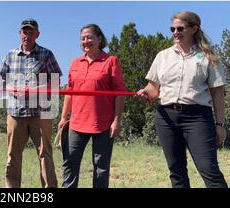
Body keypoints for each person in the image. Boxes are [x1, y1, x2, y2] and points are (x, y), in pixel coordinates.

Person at [136, 11, 227, 188]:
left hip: (198, 117)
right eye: (172, 28)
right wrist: (146, 91)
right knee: (176, 171)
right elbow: (154, 87)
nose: (175, 32)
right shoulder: (163, 56)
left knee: (208, 169)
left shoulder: (209, 57)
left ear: (194, 28)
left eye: (180, 28)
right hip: (166, 117)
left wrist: (220, 125)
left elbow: (217, 93)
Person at [57, 24, 126, 188]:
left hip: (103, 124)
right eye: (82, 38)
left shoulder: (111, 61)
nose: (85, 41)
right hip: (76, 123)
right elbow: (69, 93)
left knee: (101, 167)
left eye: (89, 37)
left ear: (99, 39)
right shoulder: (75, 63)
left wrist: (117, 121)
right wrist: (63, 117)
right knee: (69, 163)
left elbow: (120, 93)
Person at [1, 18, 62, 188]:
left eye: (31, 32)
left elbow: (56, 81)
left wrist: (35, 89)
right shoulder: (10, 55)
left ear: (37, 34)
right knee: (13, 155)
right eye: (24, 32)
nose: (27, 35)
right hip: (16, 113)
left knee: (45, 154)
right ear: (20, 33)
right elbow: (2, 80)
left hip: (41, 113)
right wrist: (11, 87)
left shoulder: (46, 54)